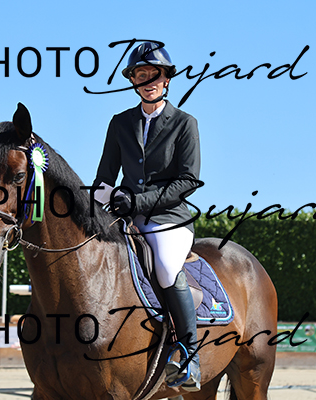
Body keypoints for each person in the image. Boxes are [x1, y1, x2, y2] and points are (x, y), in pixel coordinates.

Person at [93, 41, 201, 392]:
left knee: (166, 267)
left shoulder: (184, 123)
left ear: (166, 80)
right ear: (133, 81)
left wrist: (137, 201)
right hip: (125, 217)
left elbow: (187, 180)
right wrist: (92, 205)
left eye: (154, 74)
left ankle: (189, 355)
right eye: (141, 75)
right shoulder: (120, 123)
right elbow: (104, 177)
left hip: (169, 219)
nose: (148, 81)